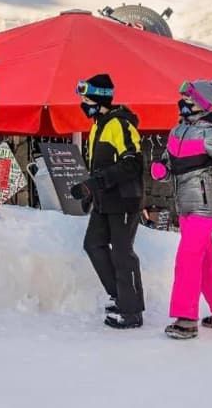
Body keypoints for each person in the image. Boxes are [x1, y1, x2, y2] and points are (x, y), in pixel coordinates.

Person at [151, 78, 212, 339]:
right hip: (184, 203)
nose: (183, 103)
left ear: (202, 104)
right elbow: (169, 158)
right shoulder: (178, 131)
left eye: (189, 100)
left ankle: (185, 319)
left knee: (187, 258)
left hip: (204, 206)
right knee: (203, 260)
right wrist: (162, 167)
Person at [70, 74, 146, 329]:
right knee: (93, 244)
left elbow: (132, 164)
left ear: (98, 98)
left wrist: (94, 184)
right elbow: (101, 166)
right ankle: (121, 296)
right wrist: (91, 192)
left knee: (123, 254)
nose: (83, 103)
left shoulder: (120, 124)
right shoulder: (98, 125)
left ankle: (132, 311)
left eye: (86, 98)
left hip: (124, 200)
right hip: (105, 200)